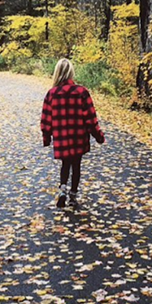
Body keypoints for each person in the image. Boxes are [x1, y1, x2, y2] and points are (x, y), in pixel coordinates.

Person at [40, 58, 105, 208]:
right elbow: (90, 118)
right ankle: (73, 196)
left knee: (65, 163)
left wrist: (46, 138)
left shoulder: (52, 94)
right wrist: (98, 136)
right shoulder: (81, 92)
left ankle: (62, 189)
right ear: (71, 73)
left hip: (62, 138)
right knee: (76, 165)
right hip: (78, 137)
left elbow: (45, 119)